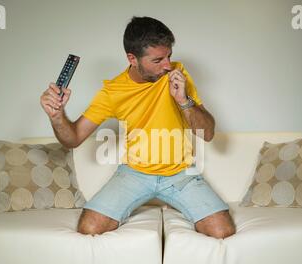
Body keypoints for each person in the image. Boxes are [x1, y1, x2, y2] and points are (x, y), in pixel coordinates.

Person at [40, 16, 235, 239]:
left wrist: (184, 100)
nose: (167, 65)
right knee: (89, 228)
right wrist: (57, 116)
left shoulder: (177, 74)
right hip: (135, 174)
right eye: (158, 60)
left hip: (181, 174)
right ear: (132, 59)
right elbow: (73, 138)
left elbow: (208, 133)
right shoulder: (112, 92)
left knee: (222, 230)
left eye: (169, 56)